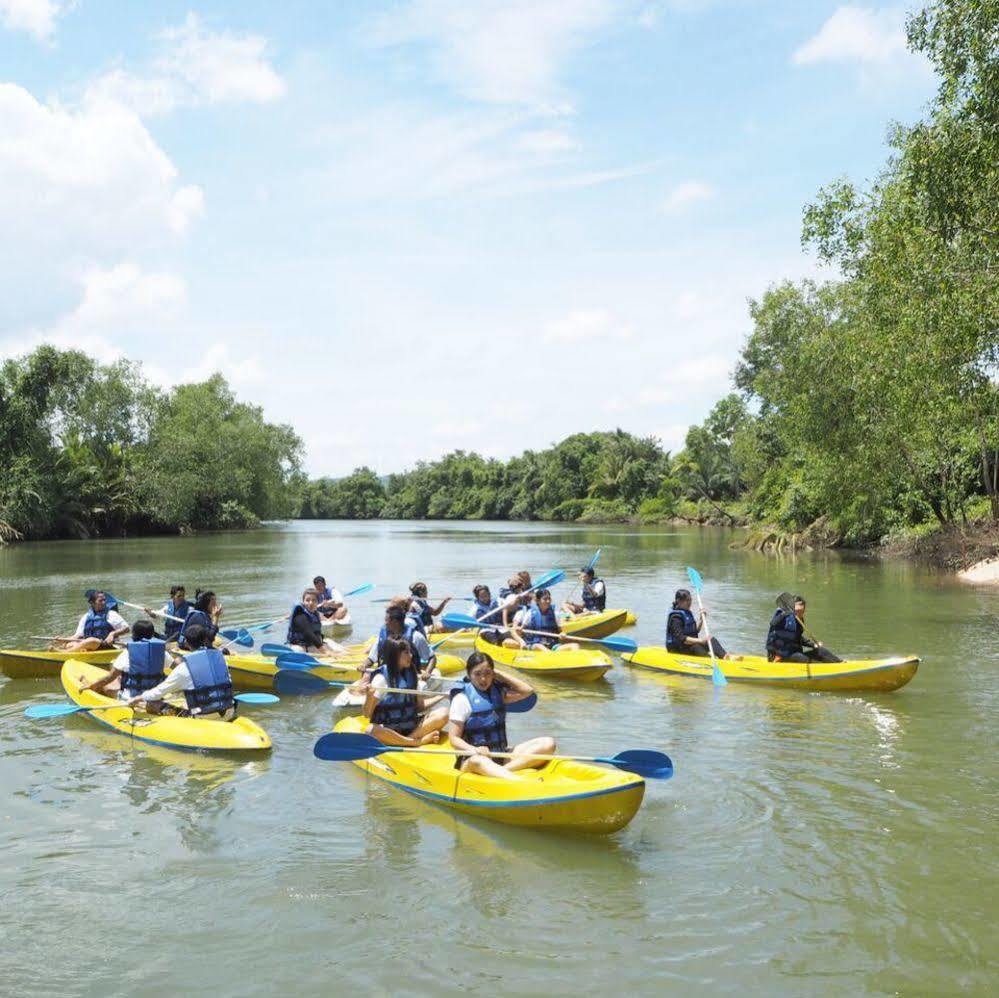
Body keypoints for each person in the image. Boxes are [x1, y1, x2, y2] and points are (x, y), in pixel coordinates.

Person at [448, 650, 554, 781]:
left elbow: (527, 691)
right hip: (473, 759)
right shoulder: (461, 699)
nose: (483, 679)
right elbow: (453, 739)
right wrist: (474, 749)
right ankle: (523, 782)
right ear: (469, 675)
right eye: (477, 674)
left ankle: (501, 771)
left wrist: (499, 674)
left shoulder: (498, 694)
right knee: (478, 761)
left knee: (548, 743)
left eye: (487, 673)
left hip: (500, 755)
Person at [125, 624, 236, 719]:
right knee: (185, 701)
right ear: (204, 640)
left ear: (186, 643)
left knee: (152, 703)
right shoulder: (221, 660)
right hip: (229, 712)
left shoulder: (184, 668)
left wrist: (138, 698)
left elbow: (158, 693)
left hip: (205, 718)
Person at [363, 637, 449, 747]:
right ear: (395, 655)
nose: (411, 656)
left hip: (411, 727)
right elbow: (367, 714)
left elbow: (419, 707)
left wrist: (442, 696)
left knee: (444, 713)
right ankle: (416, 742)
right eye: (406, 653)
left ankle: (407, 740)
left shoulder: (412, 674)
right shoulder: (381, 679)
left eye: (410, 652)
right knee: (371, 730)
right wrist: (369, 697)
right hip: (389, 730)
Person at [81, 620, 184, 706]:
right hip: (154, 696)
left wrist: (91, 686)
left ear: (134, 635)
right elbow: (178, 667)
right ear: (152, 635)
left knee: (105, 686)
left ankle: (88, 685)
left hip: (131, 699)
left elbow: (109, 678)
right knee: (119, 678)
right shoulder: (161, 652)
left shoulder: (128, 652)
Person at [766, 596, 841, 663]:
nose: (800, 613)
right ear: (792, 608)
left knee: (821, 651)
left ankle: (840, 663)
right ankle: (822, 668)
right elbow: (773, 623)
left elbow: (797, 638)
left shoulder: (799, 620)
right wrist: (784, 614)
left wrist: (813, 645)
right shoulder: (782, 616)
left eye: (802, 611)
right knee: (805, 659)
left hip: (793, 653)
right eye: (798, 610)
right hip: (779, 655)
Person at [55, 590, 130, 652]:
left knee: (91, 641)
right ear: (92, 603)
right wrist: (63, 640)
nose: (104, 602)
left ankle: (65, 653)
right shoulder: (86, 617)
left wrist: (112, 634)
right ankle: (64, 650)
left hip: (108, 646)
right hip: (92, 647)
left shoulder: (112, 614)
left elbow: (127, 628)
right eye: (100, 601)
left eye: (104, 600)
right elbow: (77, 636)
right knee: (69, 644)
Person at [513, 589, 580, 652]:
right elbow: (520, 631)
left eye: (549, 599)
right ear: (538, 601)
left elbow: (560, 631)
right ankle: (550, 658)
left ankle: (578, 663)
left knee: (575, 646)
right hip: (535, 644)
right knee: (540, 647)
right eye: (545, 599)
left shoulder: (555, 614)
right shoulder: (530, 614)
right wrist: (519, 631)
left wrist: (562, 634)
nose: (548, 601)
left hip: (552, 644)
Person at [666, 589, 726, 658]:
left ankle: (725, 656)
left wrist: (701, 620)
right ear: (678, 601)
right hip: (677, 649)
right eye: (687, 600)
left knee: (711, 640)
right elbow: (681, 638)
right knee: (696, 646)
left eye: (690, 600)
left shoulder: (687, 613)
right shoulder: (675, 618)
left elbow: (694, 632)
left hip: (689, 645)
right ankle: (709, 660)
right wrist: (700, 641)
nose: (689, 603)